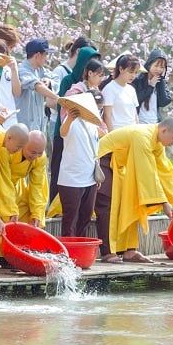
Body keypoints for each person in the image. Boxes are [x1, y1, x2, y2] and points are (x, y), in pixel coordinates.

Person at [95, 119, 173, 264]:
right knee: (107, 203)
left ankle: (129, 251)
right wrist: (164, 202)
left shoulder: (157, 143)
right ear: (164, 131)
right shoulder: (143, 136)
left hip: (120, 166)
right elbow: (147, 172)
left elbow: (164, 170)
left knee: (131, 202)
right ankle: (107, 252)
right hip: (103, 159)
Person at [0, 130, 48, 265]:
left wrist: (37, 214)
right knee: (0, 212)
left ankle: (16, 252)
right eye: (32, 152)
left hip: (17, 187)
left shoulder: (40, 157)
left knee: (27, 211)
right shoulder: (6, 151)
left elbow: (38, 186)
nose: (36, 156)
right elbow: (3, 181)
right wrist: (10, 209)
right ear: (22, 145)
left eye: (39, 153)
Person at [49, 44, 100, 203]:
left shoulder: (94, 87)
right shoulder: (69, 80)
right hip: (64, 131)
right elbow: (61, 104)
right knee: (59, 171)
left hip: (85, 136)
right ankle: (54, 204)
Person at [57, 91, 105, 237]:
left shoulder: (94, 126)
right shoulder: (71, 122)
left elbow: (96, 150)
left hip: (89, 178)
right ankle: (69, 251)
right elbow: (62, 133)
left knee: (85, 216)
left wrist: (97, 175)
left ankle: (80, 248)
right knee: (70, 218)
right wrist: (70, 119)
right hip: (71, 179)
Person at [16, 38, 59, 133]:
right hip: (23, 127)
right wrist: (57, 98)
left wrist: (49, 81)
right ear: (37, 55)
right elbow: (37, 86)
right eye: (46, 55)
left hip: (38, 125)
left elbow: (56, 78)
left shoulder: (40, 70)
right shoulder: (21, 70)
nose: (47, 58)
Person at [101, 54, 141, 131]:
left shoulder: (131, 89)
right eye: (130, 72)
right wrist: (112, 136)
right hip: (117, 132)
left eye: (136, 73)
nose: (133, 75)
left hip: (132, 132)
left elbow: (135, 114)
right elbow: (107, 116)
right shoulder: (109, 88)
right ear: (121, 69)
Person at [131, 49, 172, 124]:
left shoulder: (161, 83)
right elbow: (136, 99)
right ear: (149, 64)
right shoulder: (138, 80)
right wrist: (150, 86)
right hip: (139, 121)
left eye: (162, 67)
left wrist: (162, 80)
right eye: (156, 65)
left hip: (155, 122)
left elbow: (164, 102)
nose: (158, 69)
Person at [0, 24, 21, 129]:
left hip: (9, 117)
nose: (10, 50)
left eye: (12, 47)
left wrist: (14, 70)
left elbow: (17, 92)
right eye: (10, 47)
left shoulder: (11, 64)